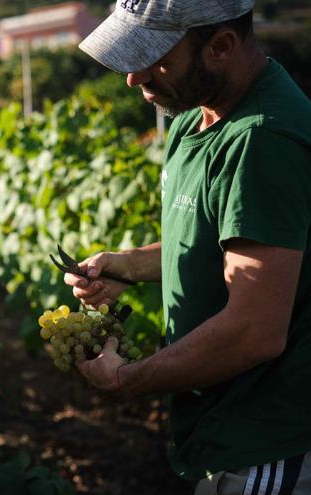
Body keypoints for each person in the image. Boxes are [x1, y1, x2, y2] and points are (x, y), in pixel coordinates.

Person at [63, 1, 311, 493]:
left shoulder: (263, 139)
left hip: (270, 441)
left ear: (220, 46)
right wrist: (128, 266)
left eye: (154, 56)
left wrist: (128, 380)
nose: (133, 79)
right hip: (222, 429)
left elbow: (254, 331)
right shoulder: (195, 118)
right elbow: (218, 238)